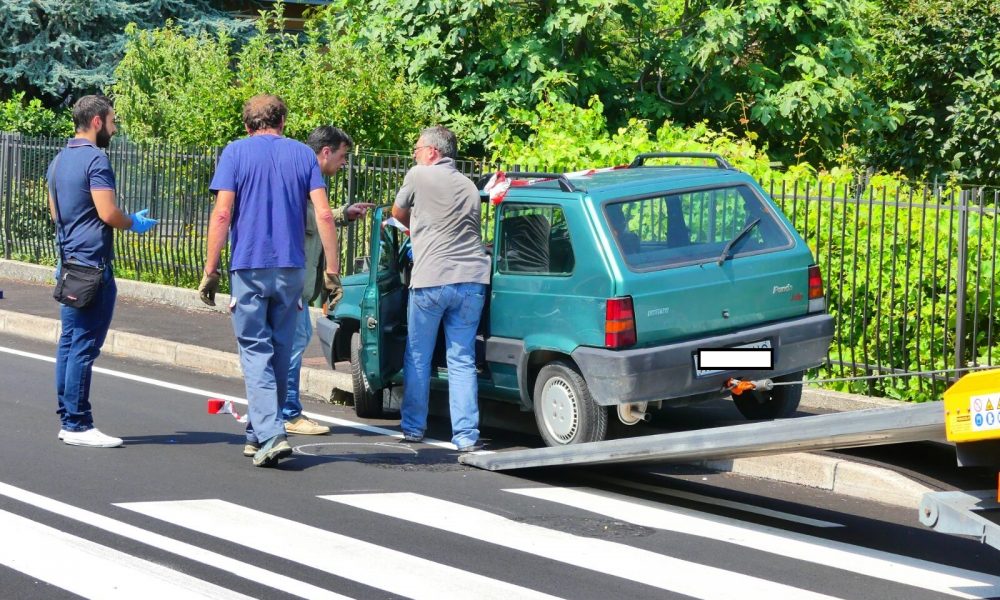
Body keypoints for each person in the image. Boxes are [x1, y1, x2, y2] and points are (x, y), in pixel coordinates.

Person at [198, 94, 340, 467]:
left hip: (249, 265)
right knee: (279, 350)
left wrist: (211, 270)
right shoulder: (304, 155)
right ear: (282, 122)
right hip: (292, 267)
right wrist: (332, 271)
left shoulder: (235, 152)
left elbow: (222, 213)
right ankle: (257, 433)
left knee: (255, 350)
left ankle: (272, 434)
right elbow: (324, 214)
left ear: (248, 125)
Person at [48, 95, 158, 448]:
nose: (114, 127)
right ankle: (77, 424)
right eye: (112, 121)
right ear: (97, 121)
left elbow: (55, 212)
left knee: (69, 343)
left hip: (68, 264)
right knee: (83, 346)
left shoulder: (59, 160)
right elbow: (108, 212)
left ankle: (68, 419)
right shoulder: (96, 159)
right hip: (92, 267)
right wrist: (133, 222)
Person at [391, 126, 490, 452]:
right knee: (461, 359)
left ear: (432, 152)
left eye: (417, 149)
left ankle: (413, 428)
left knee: (418, 355)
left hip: (431, 279)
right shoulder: (469, 185)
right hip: (472, 279)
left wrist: (415, 229)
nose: (415, 154)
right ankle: (466, 436)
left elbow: (397, 214)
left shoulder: (418, 175)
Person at [282, 126, 372, 436]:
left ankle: (276, 413)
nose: (344, 163)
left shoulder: (303, 175)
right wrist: (332, 272)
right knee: (292, 344)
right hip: (290, 284)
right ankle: (287, 414)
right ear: (325, 152)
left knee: (288, 344)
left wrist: (343, 214)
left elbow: (313, 216)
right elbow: (311, 218)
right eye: (342, 156)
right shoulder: (301, 175)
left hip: (293, 285)